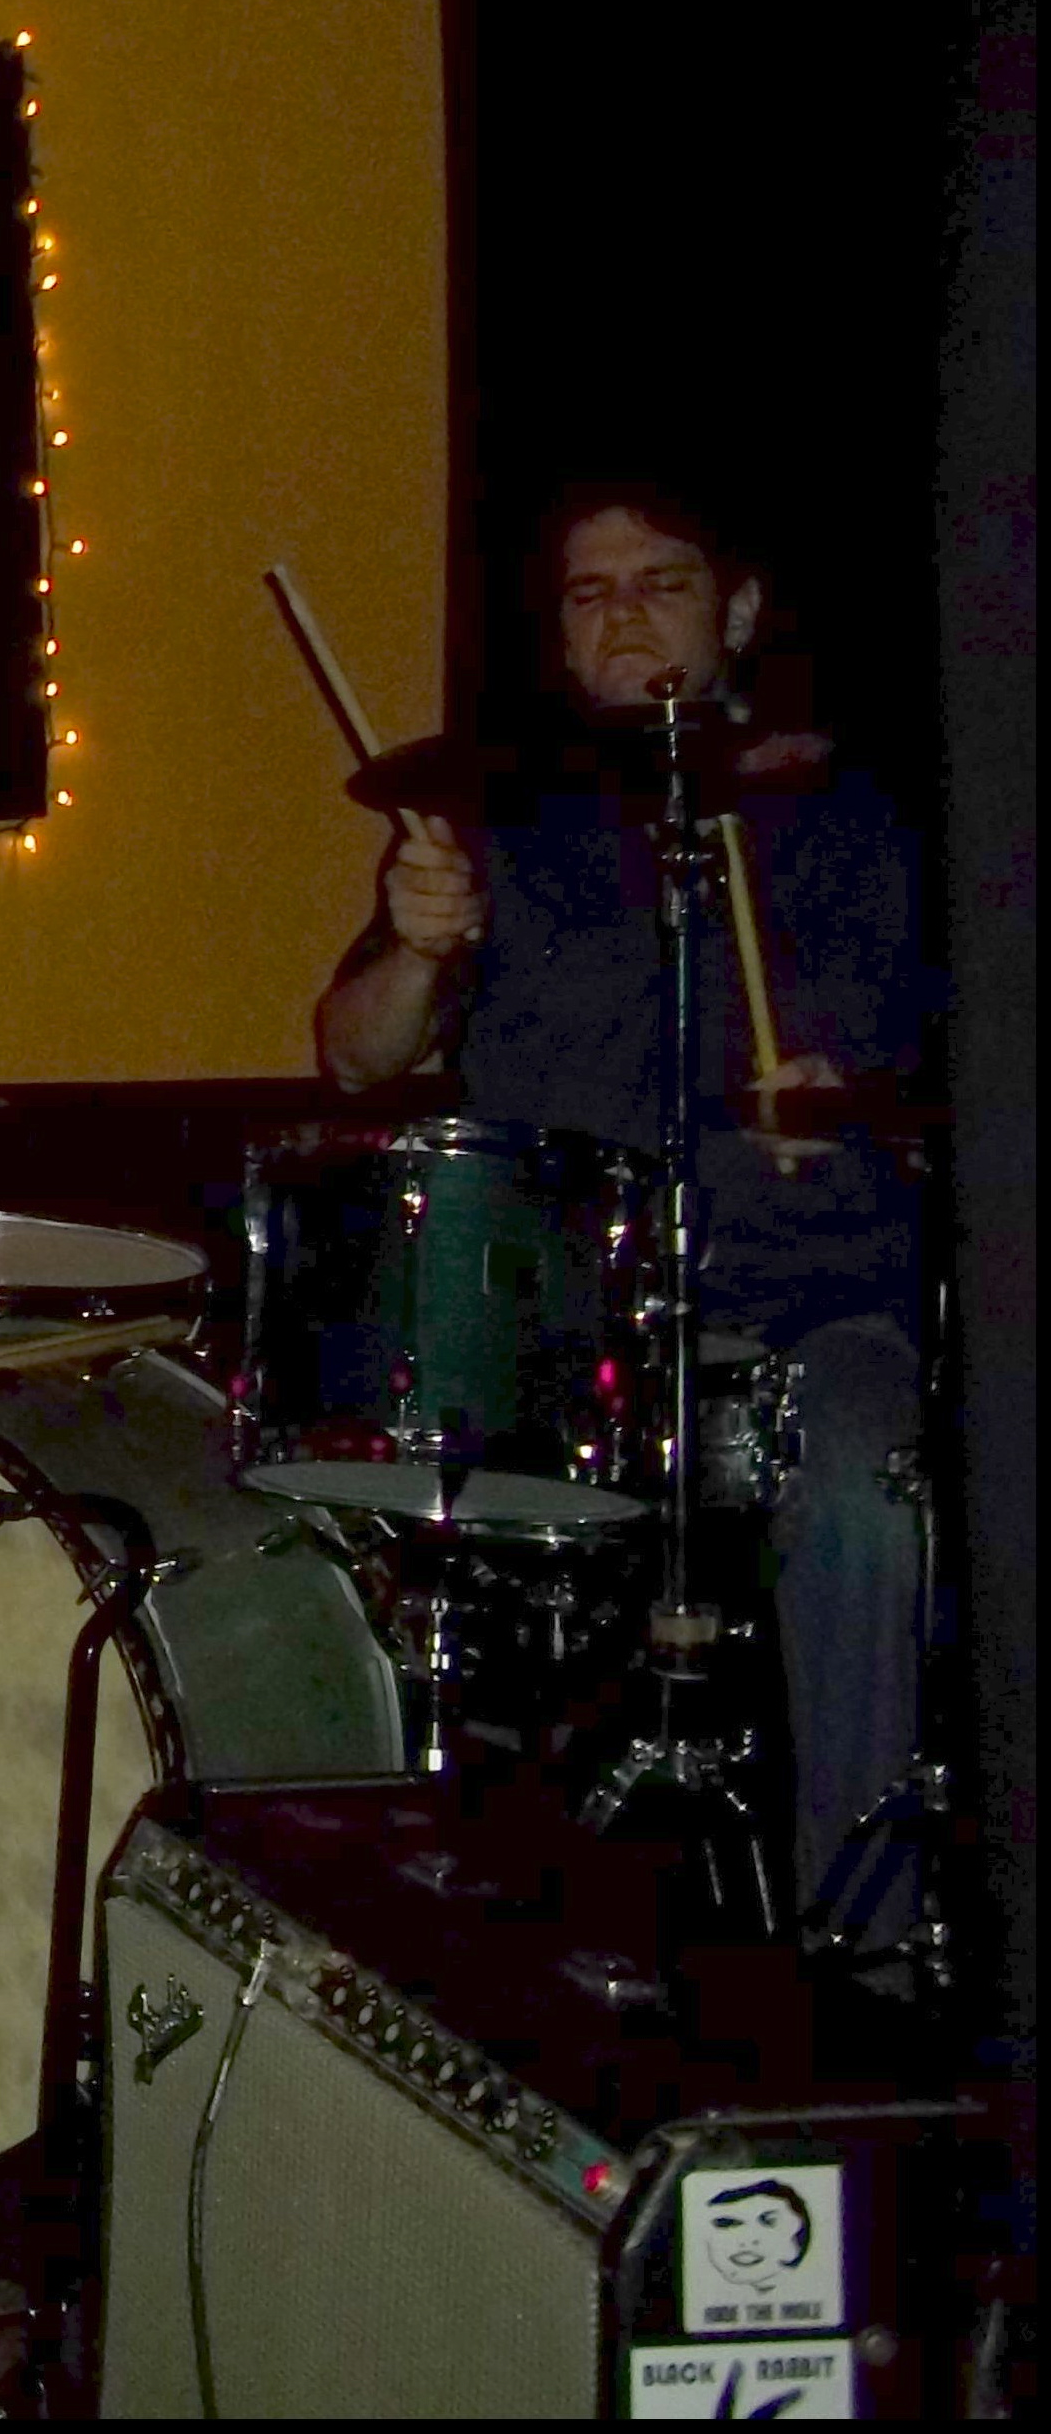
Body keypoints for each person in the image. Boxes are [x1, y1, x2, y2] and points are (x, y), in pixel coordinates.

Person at [316, 488, 932, 1953]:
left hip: (807, 1308)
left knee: (870, 1495)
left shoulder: (862, 820)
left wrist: (851, 1097)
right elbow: (354, 1056)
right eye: (592, 594)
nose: (626, 614)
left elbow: (940, 1078)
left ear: (738, 611)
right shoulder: (501, 821)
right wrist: (418, 947)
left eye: (663, 582)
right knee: (354, 1485)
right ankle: (444, 1943)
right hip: (561, 1332)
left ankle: (863, 1952)